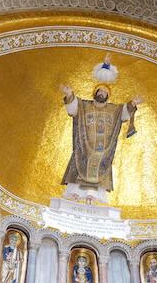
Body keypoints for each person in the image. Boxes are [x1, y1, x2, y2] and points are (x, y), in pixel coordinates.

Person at [59, 54, 143, 198]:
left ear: (108, 95)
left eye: (105, 92)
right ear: (95, 93)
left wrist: (133, 104)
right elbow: (72, 109)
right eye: (100, 91)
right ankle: (74, 194)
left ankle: (94, 196)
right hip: (83, 151)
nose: (102, 94)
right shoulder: (83, 105)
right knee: (78, 170)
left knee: (99, 173)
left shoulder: (113, 110)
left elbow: (123, 113)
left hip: (103, 152)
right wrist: (69, 94)